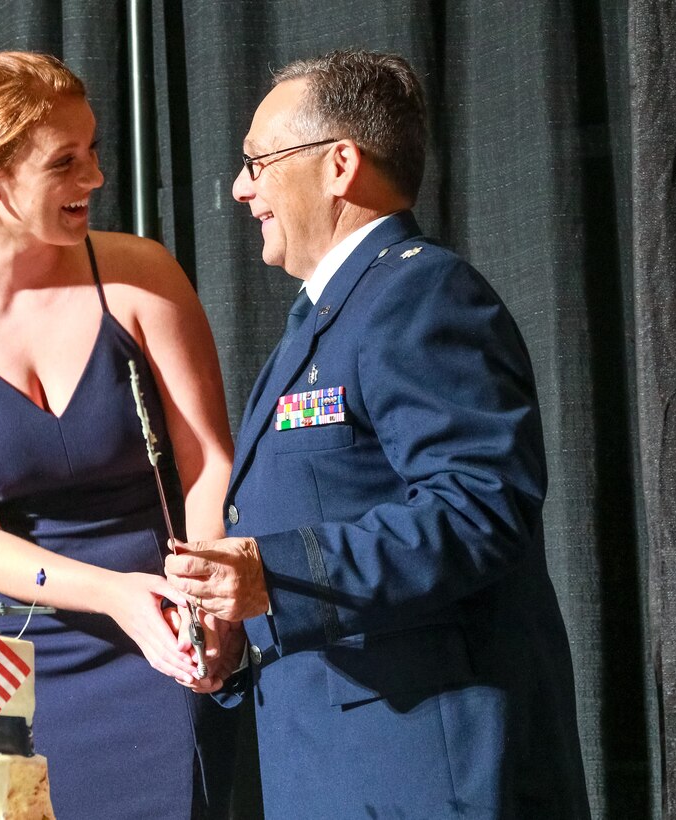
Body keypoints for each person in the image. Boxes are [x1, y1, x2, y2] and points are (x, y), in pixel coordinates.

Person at [165, 49, 590, 818]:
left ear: (338, 165)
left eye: (257, 161)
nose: (240, 187)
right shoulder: (326, 318)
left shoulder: (421, 294)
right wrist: (239, 630)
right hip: (332, 770)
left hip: (425, 772)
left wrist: (276, 575)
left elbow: (478, 509)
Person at [0, 51, 241, 819]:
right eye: (66, 163)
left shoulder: (142, 275)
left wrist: (211, 608)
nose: (96, 178)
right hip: (15, 663)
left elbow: (208, 461)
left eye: (94, 149)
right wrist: (113, 596)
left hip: (168, 639)